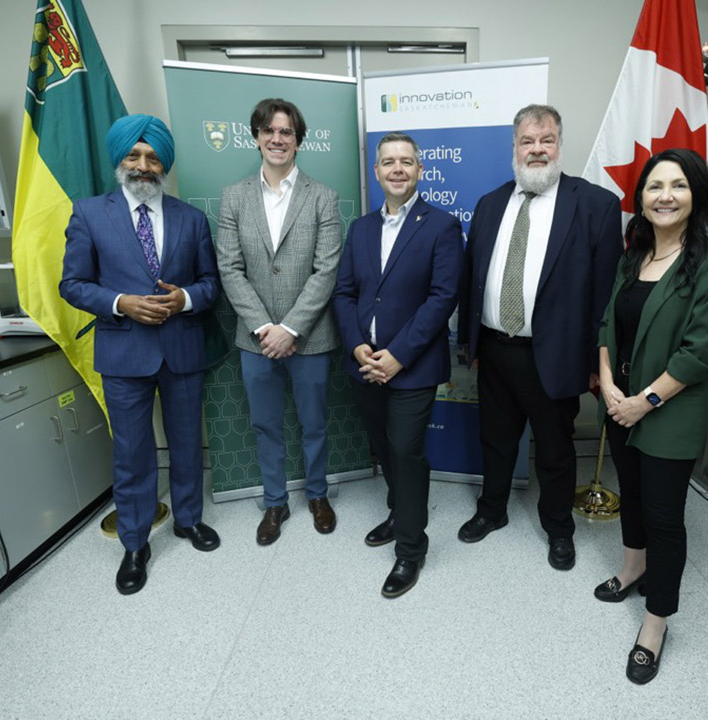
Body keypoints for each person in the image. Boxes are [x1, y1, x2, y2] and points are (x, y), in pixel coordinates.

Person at [60, 113, 221, 595]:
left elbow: (211, 284)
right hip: (123, 351)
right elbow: (72, 284)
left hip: (182, 349)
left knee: (188, 443)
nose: (144, 165)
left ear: (163, 164)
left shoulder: (192, 219)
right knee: (132, 452)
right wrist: (120, 303)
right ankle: (134, 543)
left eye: (153, 157)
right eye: (134, 155)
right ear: (120, 160)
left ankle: (188, 520)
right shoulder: (89, 213)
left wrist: (185, 298)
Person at [593, 148, 708, 685]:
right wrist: (609, 383)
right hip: (619, 403)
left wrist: (642, 401)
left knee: (663, 516)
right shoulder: (633, 256)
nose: (665, 196)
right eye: (655, 187)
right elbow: (609, 321)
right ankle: (633, 569)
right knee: (629, 493)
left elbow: (699, 353)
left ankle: (656, 622)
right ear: (641, 199)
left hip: (667, 412)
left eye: (677, 186)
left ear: (696, 194)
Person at [457, 104, 621, 570]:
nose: (536, 150)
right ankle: (492, 511)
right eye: (527, 141)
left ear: (559, 145)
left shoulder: (595, 206)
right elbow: (473, 278)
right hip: (494, 350)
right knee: (496, 440)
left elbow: (605, 293)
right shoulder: (490, 204)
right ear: (514, 147)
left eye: (545, 140)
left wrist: (596, 363)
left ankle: (558, 529)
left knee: (554, 450)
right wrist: (469, 343)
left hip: (556, 356)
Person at [332, 132, 463, 598]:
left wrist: (398, 355)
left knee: (406, 452)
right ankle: (398, 512)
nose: (398, 169)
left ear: (420, 170)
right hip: (365, 365)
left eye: (407, 161)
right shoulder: (360, 228)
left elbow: (443, 297)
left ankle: (411, 548)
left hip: (414, 367)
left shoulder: (441, 226)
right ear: (377, 172)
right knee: (383, 448)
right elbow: (345, 293)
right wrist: (356, 347)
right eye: (389, 162)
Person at [215, 98, 342, 544]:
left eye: (286, 132)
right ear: (255, 137)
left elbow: (326, 270)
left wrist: (289, 329)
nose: (277, 139)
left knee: (314, 424)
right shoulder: (233, 197)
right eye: (269, 130)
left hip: (310, 338)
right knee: (265, 424)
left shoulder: (323, 197)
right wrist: (264, 328)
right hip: (255, 341)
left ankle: (318, 495)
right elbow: (229, 268)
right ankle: (274, 503)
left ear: (298, 141)